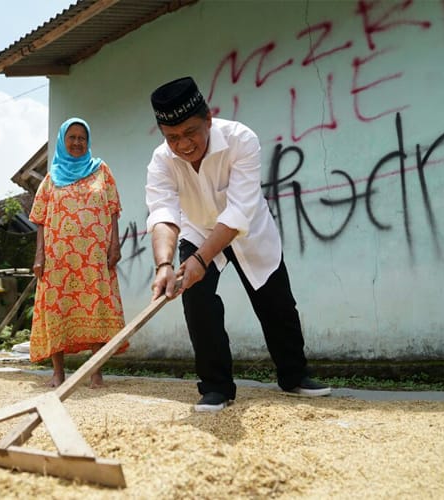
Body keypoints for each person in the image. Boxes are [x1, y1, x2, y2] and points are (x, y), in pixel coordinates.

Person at [145, 76, 331, 412]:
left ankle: (294, 376)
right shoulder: (161, 160)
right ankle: (216, 387)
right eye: (173, 138)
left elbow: (239, 210)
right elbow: (162, 212)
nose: (184, 145)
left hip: (247, 228)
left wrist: (201, 260)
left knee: (276, 302)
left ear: (209, 120)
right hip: (198, 229)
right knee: (197, 302)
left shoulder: (241, 139)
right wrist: (164, 265)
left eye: (191, 132)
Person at [29, 117, 125, 389]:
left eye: (82, 137)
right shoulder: (51, 179)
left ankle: (96, 373)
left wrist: (114, 244)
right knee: (57, 309)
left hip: (94, 256)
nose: (77, 142)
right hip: (59, 258)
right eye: (71, 137)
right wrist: (39, 255)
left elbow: (114, 210)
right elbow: (40, 220)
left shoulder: (101, 171)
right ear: (61, 140)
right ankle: (58, 373)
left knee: (96, 309)